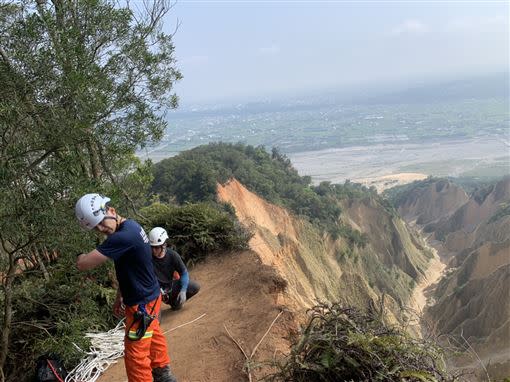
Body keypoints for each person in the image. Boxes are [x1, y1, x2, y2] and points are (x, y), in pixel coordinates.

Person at [75, 193, 177, 382]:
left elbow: (83, 264)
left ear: (111, 210)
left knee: (135, 357)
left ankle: (161, 376)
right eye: (96, 227)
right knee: (154, 337)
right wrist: (119, 296)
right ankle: (164, 375)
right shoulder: (130, 227)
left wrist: (79, 256)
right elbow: (127, 269)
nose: (101, 228)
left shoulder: (122, 237)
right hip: (148, 297)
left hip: (142, 303)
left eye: (100, 221)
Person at [148, 227, 200, 310]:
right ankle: (152, 312)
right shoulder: (147, 257)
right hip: (154, 291)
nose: (154, 250)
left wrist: (183, 290)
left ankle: (175, 303)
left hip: (169, 288)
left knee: (194, 286)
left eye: (157, 247)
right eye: (152, 247)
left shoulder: (172, 255)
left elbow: (184, 273)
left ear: (164, 245)